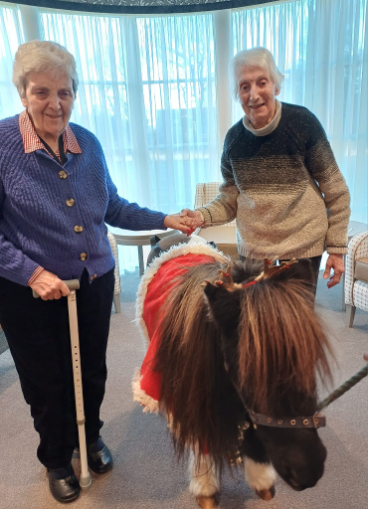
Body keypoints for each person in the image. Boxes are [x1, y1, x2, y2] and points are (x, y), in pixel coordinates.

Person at [0, 40, 192, 504]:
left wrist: (163, 219)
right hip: (29, 289)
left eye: (64, 92)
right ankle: (57, 456)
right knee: (45, 380)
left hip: (91, 281)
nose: (55, 103)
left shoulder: (87, 141)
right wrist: (29, 273)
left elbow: (113, 206)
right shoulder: (3, 145)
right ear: (22, 92)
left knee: (91, 371)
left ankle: (90, 439)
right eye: (42, 91)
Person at [182, 47, 351, 294]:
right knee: (257, 325)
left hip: (302, 248)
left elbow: (336, 191)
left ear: (276, 86)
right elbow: (230, 199)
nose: (254, 94)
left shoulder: (303, 123)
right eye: (244, 86)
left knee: (295, 327)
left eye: (262, 82)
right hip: (254, 252)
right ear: (237, 94)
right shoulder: (234, 140)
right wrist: (201, 216)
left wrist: (336, 248)